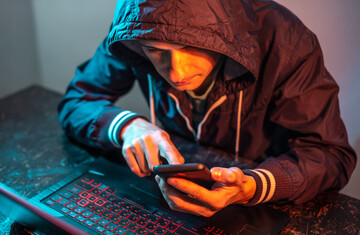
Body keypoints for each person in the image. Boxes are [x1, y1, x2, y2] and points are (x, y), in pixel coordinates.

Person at [58, 0, 356, 217]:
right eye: (156, 52)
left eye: (192, 47)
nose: (176, 73)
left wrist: (254, 185)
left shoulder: (285, 40)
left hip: (262, 205)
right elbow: (77, 100)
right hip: (169, 204)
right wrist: (125, 126)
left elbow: (329, 154)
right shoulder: (136, 28)